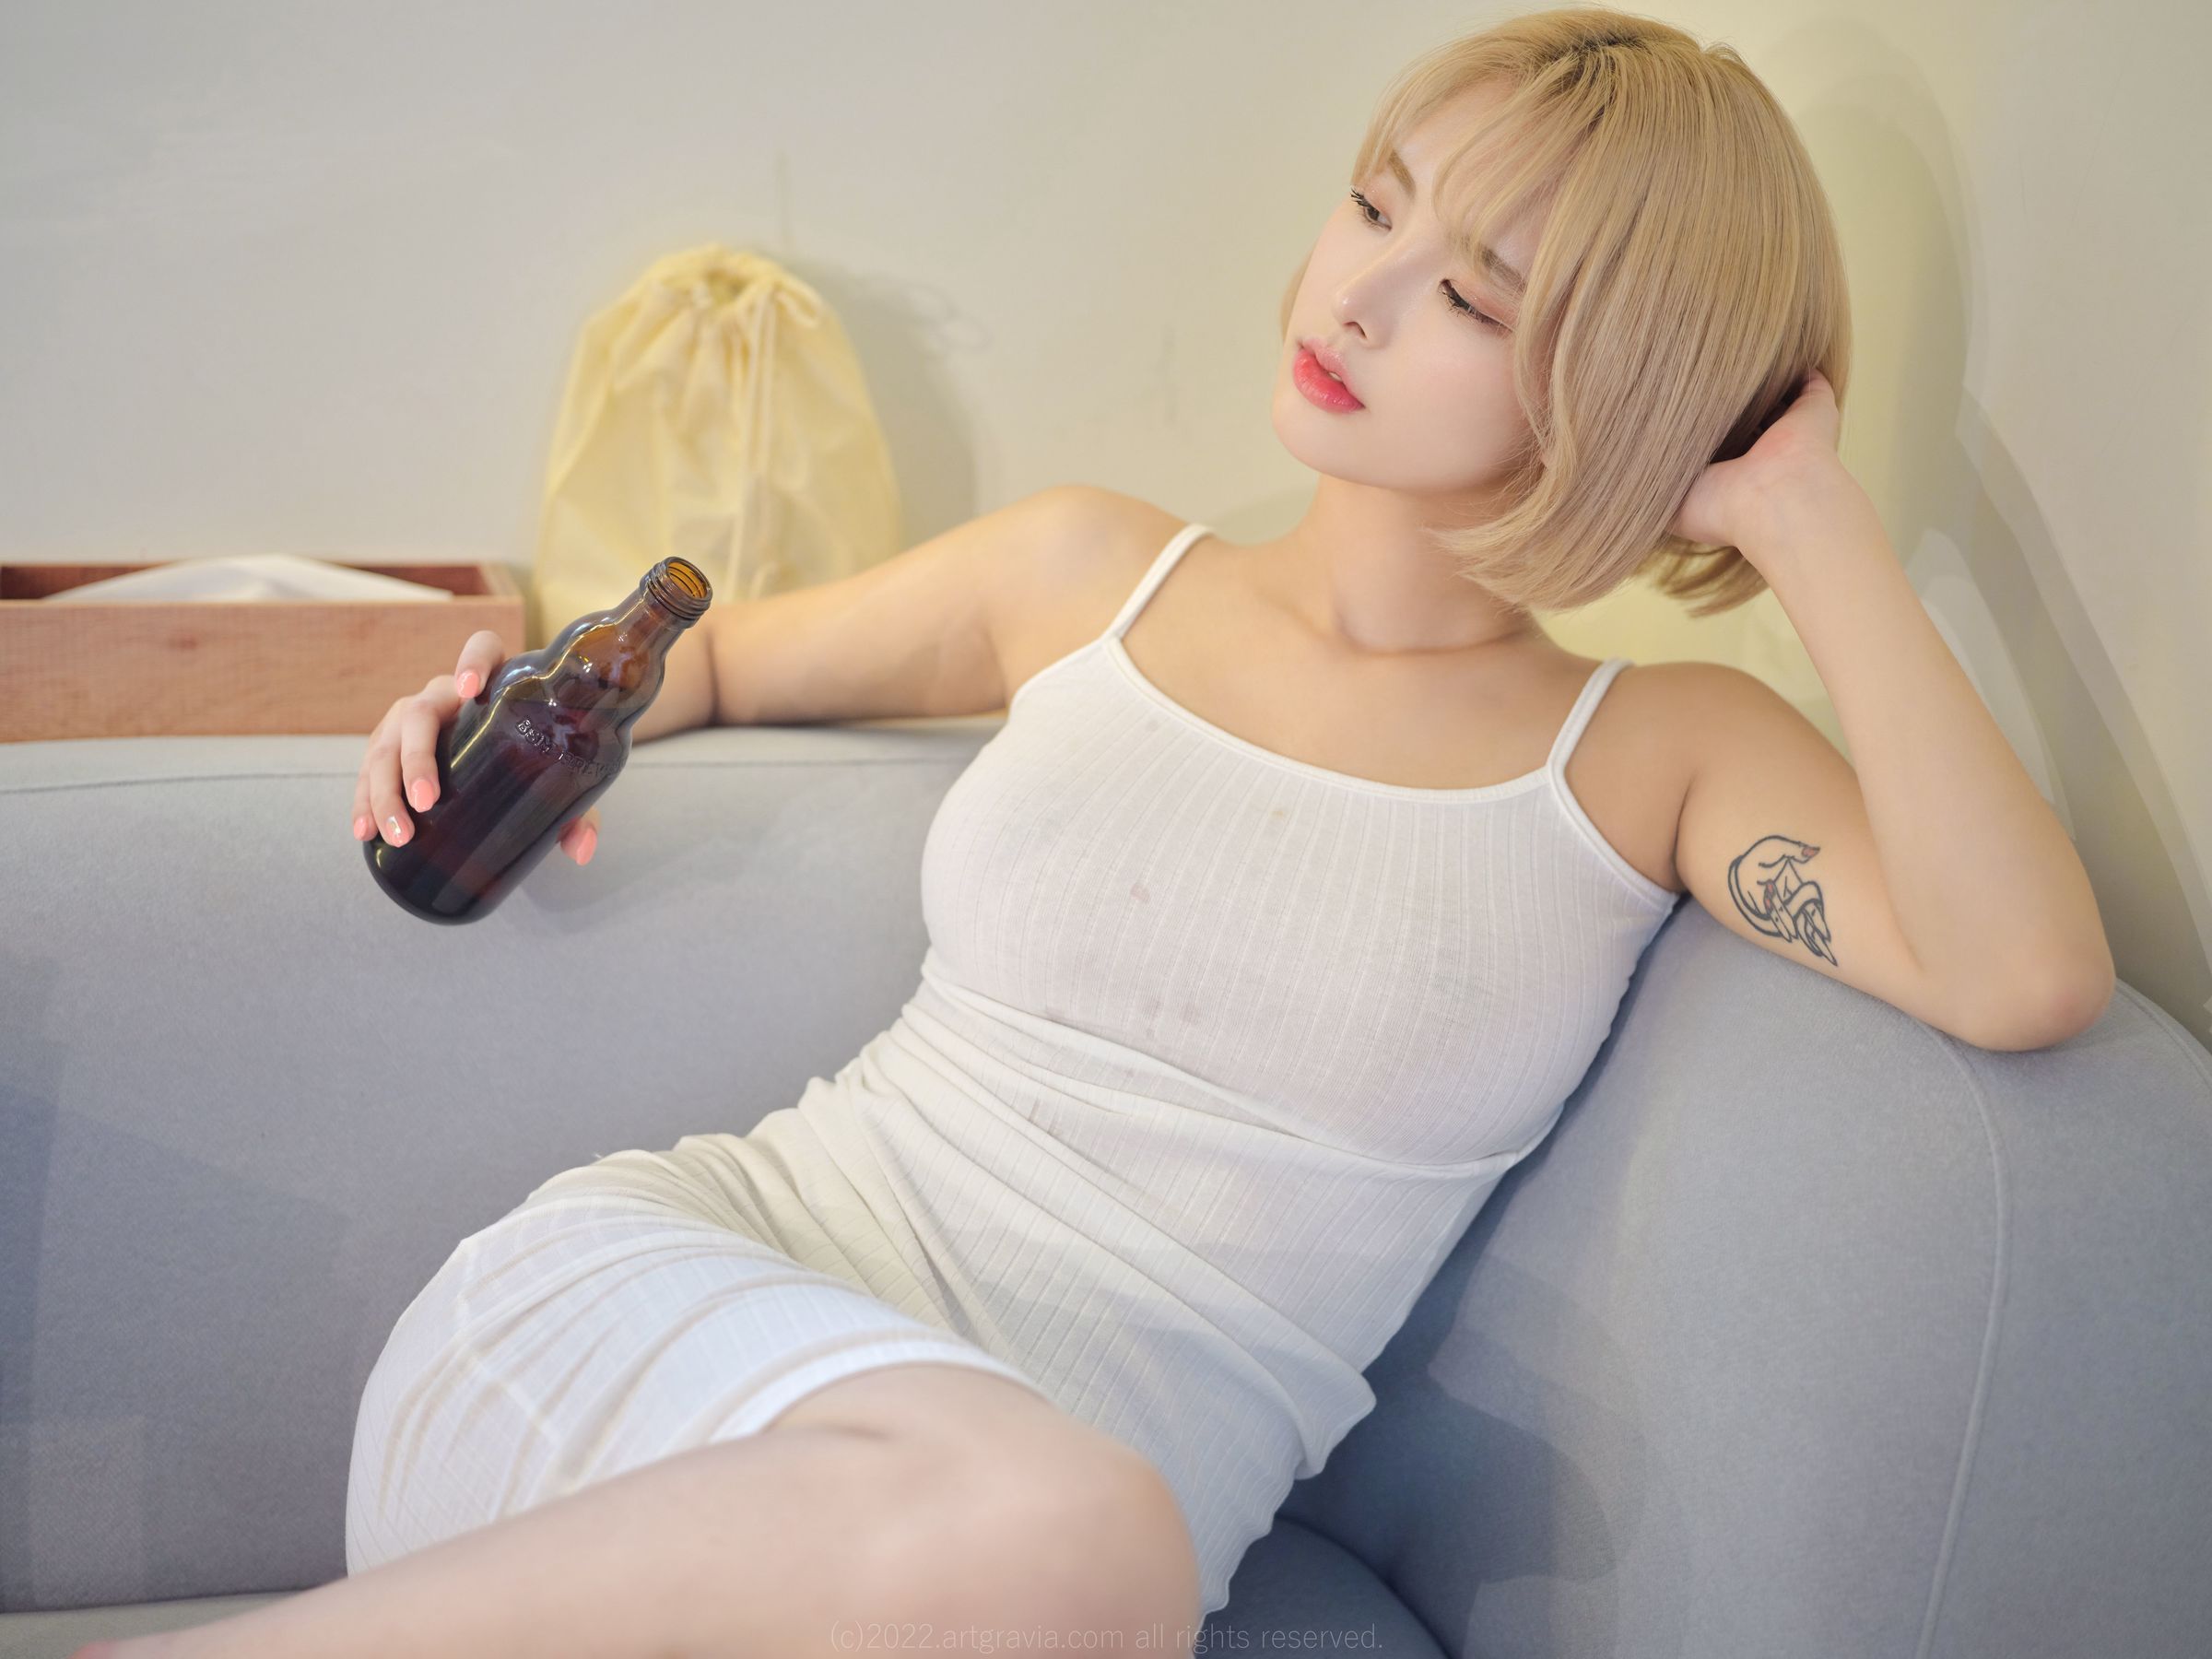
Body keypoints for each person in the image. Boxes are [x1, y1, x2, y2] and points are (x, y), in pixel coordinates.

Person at [121, 9, 1889, 1658]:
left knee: (1070, 1538)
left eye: (1473, 295)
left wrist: (1800, 509)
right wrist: (481, 715)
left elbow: (2008, 961)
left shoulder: (1653, 754)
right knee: (1076, 1526)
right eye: (1372, 206)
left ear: (1622, 394)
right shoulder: (1088, 574)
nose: (1355, 297)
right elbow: (705, 654)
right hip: (641, 1343)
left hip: (996, 1596)